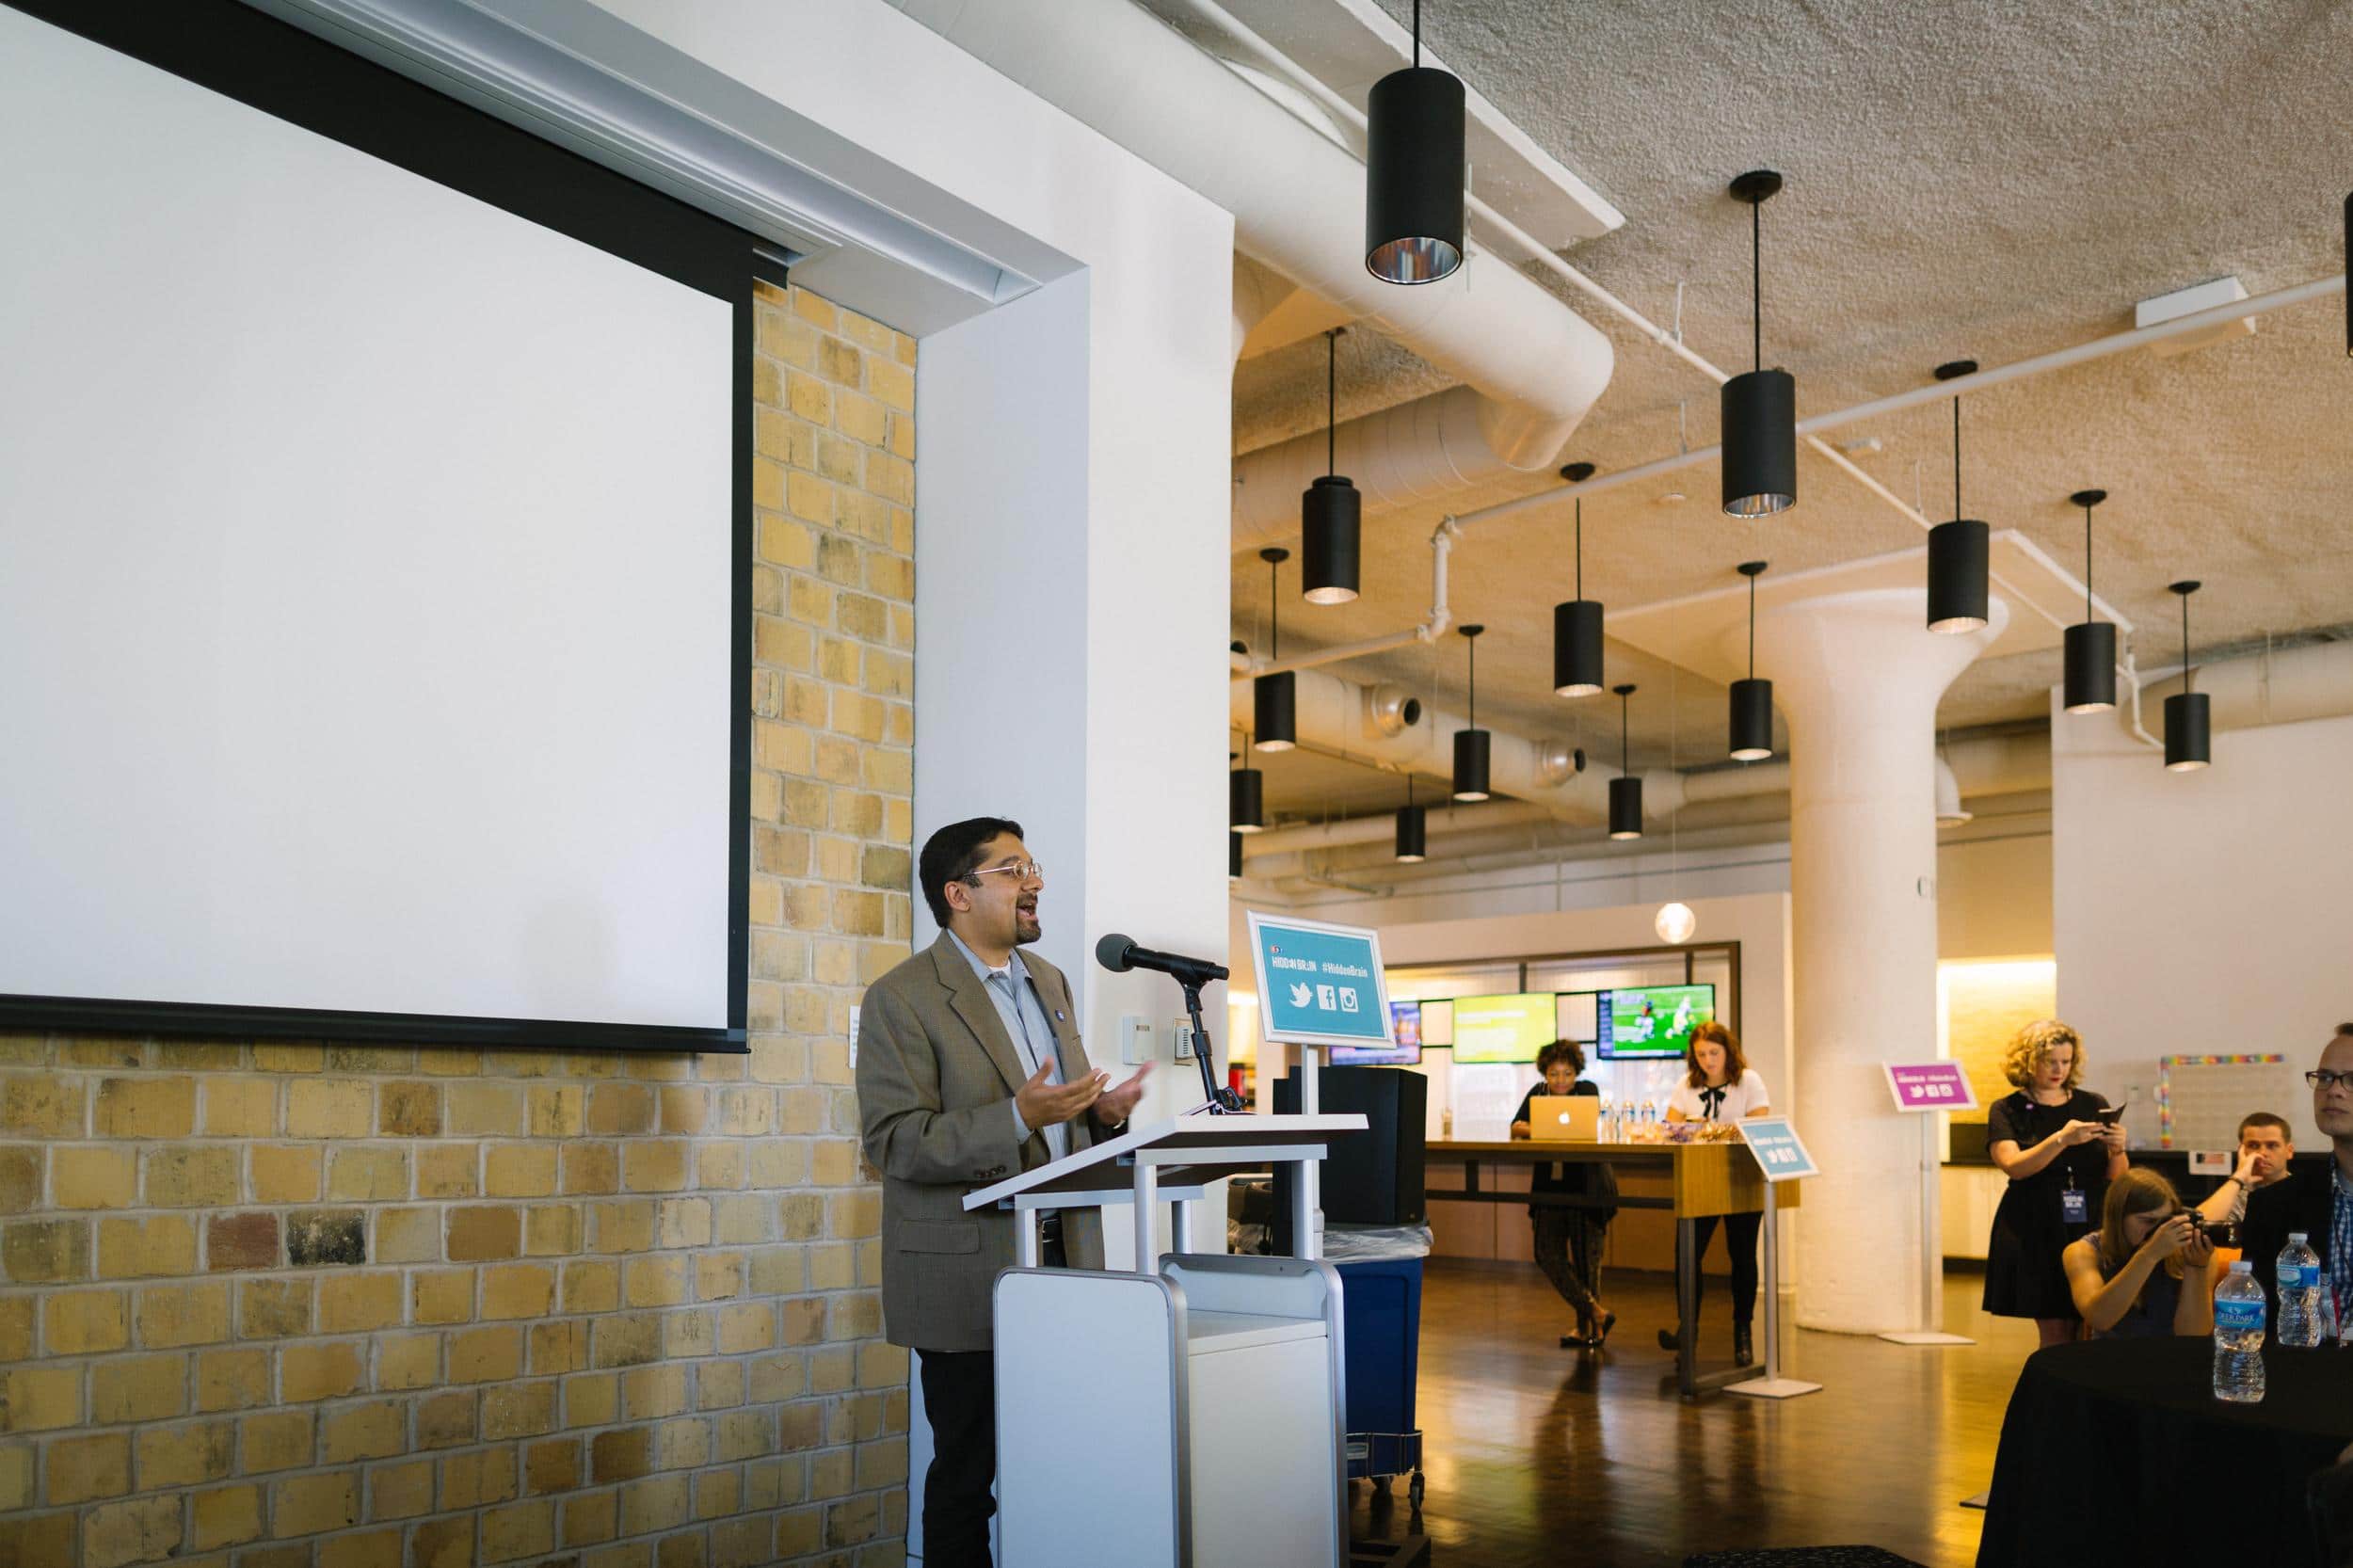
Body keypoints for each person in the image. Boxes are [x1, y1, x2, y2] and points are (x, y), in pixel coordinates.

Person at [855, 817, 1152, 1568]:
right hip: (967, 1271)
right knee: (968, 1474)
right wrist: (1017, 1117)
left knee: (1060, 1460)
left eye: (1032, 866)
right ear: (958, 894)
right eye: (1014, 869)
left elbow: (1060, 1115)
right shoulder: (902, 997)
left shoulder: (1048, 981)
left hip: (1066, 1261)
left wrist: (1102, 1115)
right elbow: (894, 1141)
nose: (1035, 881)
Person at [1982, 1018, 2129, 1349]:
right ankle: (2054, 1380)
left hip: (2088, 1220)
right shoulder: (2007, 1109)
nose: (2059, 1069)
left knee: (2089, 1320)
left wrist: (2118, 1148)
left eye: (2066, 1061)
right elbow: (2014, 1167)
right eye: (2050, 1061)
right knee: (2055, 1328)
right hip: (2037, 1223)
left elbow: (2117, 1178)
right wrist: (2061, 1139)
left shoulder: (2092, 1103)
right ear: (2027, 1061)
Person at [1657, 1020, 1771, 1365]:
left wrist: (1710, 1131)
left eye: (1714, 1053)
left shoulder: (1748, 1081)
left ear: (1728, 1051)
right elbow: (1671, 1128)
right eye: (1701, 1054)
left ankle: (1743, 1333)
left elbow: (1759, 1124)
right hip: (1699, 1179)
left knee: (1742, 1257)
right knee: (1687, 1255)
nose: (1708, 1060)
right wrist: (1696, 1130)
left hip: (1740, 1177)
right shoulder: (1686, 1085)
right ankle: (1687, 1331)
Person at [2237, 1023, 2353, 1341]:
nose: (2334, 1090)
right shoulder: (2273, 1205)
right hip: (2306, 1367)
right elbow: (2256, 1325)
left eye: (2351, 1079)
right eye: (2325, 1077)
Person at [1509, 1039, 1618, 1348]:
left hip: (1588, 1185)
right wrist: (1542, 1129)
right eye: (1554, 1074)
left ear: (1576, 1072)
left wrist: (1542, 1128)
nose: (1560, 1081)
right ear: (1545, 1073)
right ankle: (1597, 1314)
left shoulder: (1587, 1090)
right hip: (1549, 1187)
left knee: (1587, 1263)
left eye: (1567, 1073)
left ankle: (1589, 1329)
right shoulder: (1537, 1093)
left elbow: (1587, 1126)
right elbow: (1516, 1127)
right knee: (1546, 1253)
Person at [2061, 1167, 2217, 1338]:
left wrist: (2196, 1267)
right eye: (2149, 1221)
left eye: (2167, 1221)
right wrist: (2149, 1254)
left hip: (2171, 1352)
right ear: (2118, 1217)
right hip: (2111, 1353)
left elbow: (2194, 1334)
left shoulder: (2188, 1250)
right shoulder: (2083, 1251)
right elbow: (2100, 1319)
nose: (2160, 1230)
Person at [2193, 1111, 2295, 1265]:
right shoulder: (2233, 1193)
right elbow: (2197, 1231)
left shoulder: (2304, 1192)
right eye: (2253, 1146)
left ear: (2289, 1151)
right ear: (2241, 1151)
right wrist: (2239, 1177)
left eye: (2272, 1145)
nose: (2262, 1153)